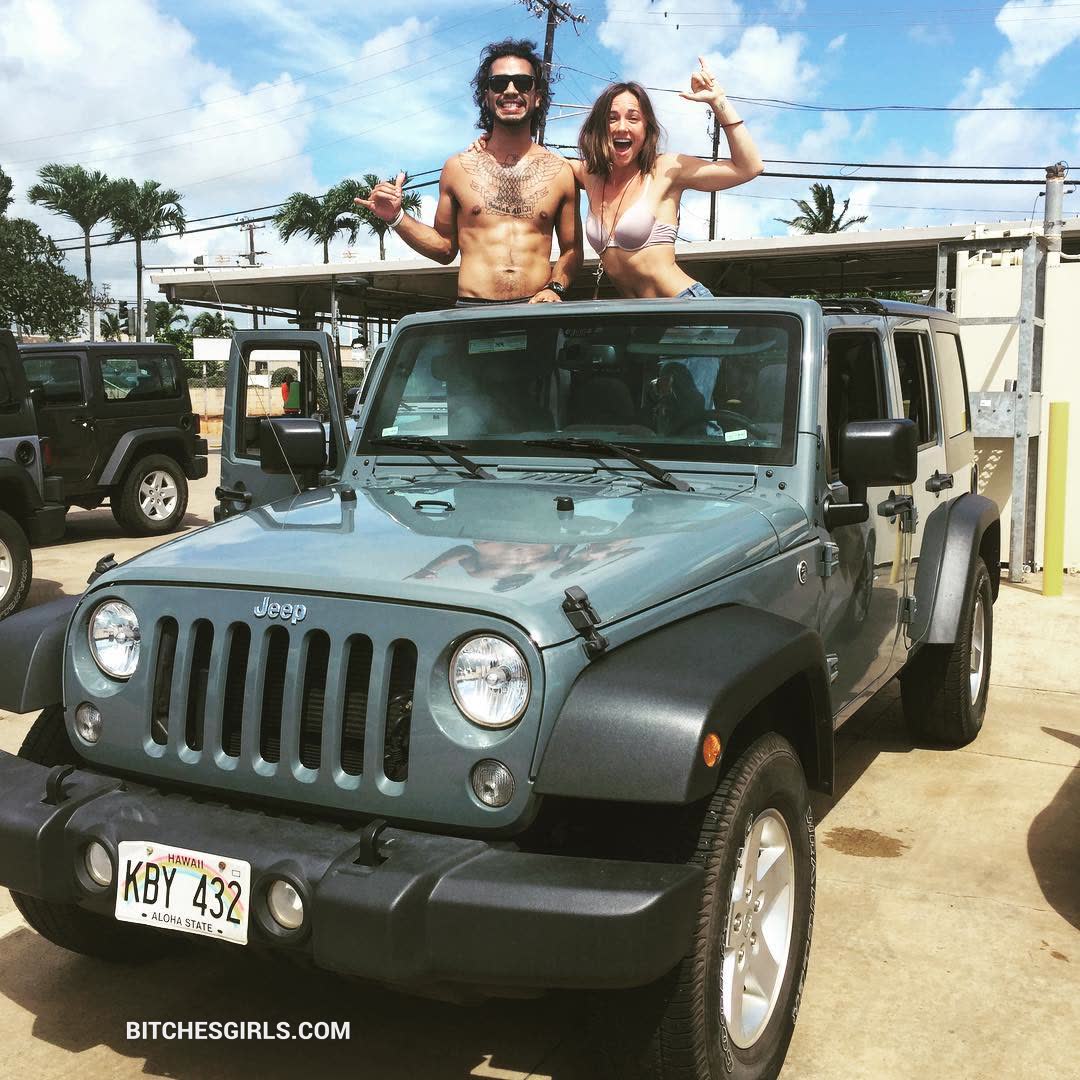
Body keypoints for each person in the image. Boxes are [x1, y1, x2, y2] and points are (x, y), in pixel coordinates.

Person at [471, 58, 763, 298]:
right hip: (639, 321)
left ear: (646, 129)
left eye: (633, 118)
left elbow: (749, 167)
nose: (622, 127)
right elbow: (534, 157)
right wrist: (490, 143)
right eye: (612, 118)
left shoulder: (666, 169)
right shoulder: (588, 175)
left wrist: (718, 102)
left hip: (684, 306)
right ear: (599, 128)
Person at [355, 39, 582, 306]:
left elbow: (572, 250)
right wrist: (396, 217)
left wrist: (556, 288)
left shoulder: (559, 172)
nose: (511, 90)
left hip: (536, 309)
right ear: (486, 96)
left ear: (537, 96)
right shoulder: (458, 169)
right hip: (473, 311)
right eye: (499, 83)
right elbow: (444, 249)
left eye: (523, 83)